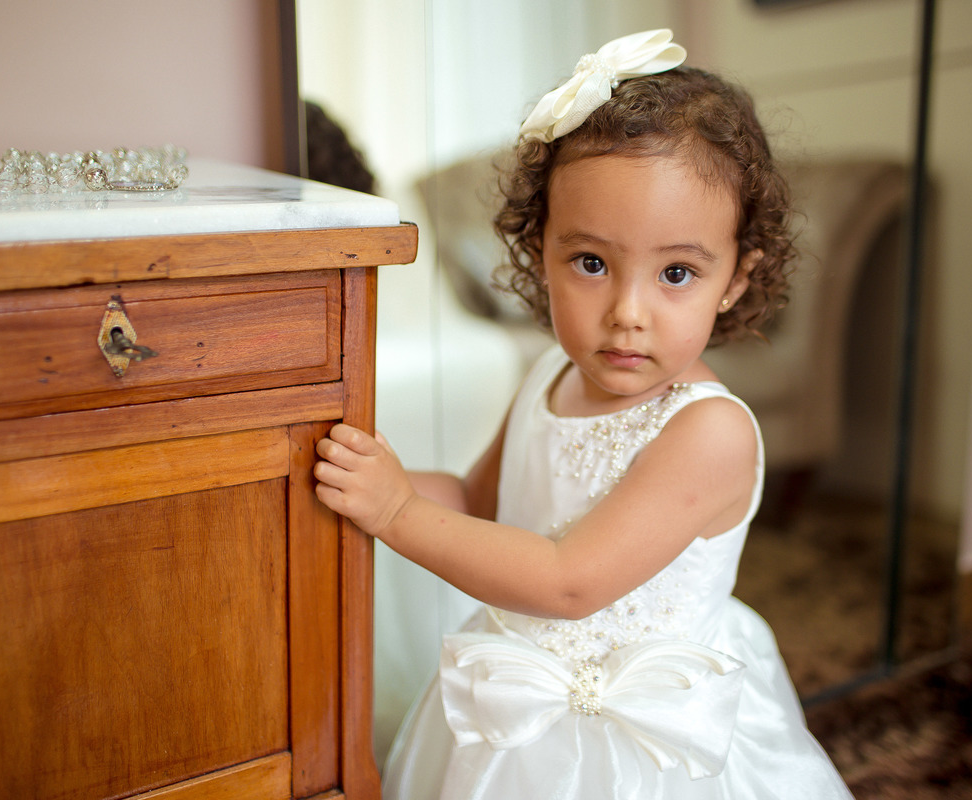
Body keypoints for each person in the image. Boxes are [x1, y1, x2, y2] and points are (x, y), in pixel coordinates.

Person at [314, 29, 853, 799]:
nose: (627, 313)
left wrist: (396, 511)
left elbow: (570, 583)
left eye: (677, 272)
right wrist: (363, 471)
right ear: (541, 252)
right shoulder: (548, 371)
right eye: (592, 263)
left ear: (736, 279)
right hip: (518, 701)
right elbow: (476, 502)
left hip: (643, 743)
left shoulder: (709, 433)